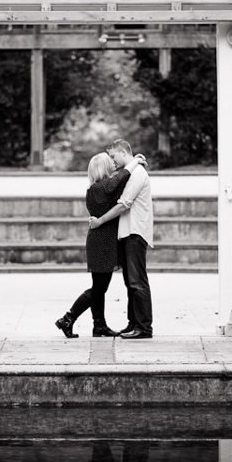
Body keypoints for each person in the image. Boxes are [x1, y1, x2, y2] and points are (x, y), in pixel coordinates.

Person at [55, 151, 146, 338]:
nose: (113, 163)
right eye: (109, 162)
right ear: (103, 167)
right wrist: (135, 160)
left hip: (100, 240)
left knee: (99, 286)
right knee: (99, 288)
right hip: (101, 242)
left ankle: (99, 326)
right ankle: (68, 318)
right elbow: (122, 176)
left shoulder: (96, 188)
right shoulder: (101, 187)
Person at [90, 139, 154, 340]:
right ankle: (133, 323)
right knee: (130, 282)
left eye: (113, 156)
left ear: (123, 152)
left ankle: (144, 327)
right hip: (127, 233)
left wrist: (100, 221)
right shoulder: (130, 172)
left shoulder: (137, 173)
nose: (112, 161)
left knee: (137, 282)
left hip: (135, 232)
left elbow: (124, 204)